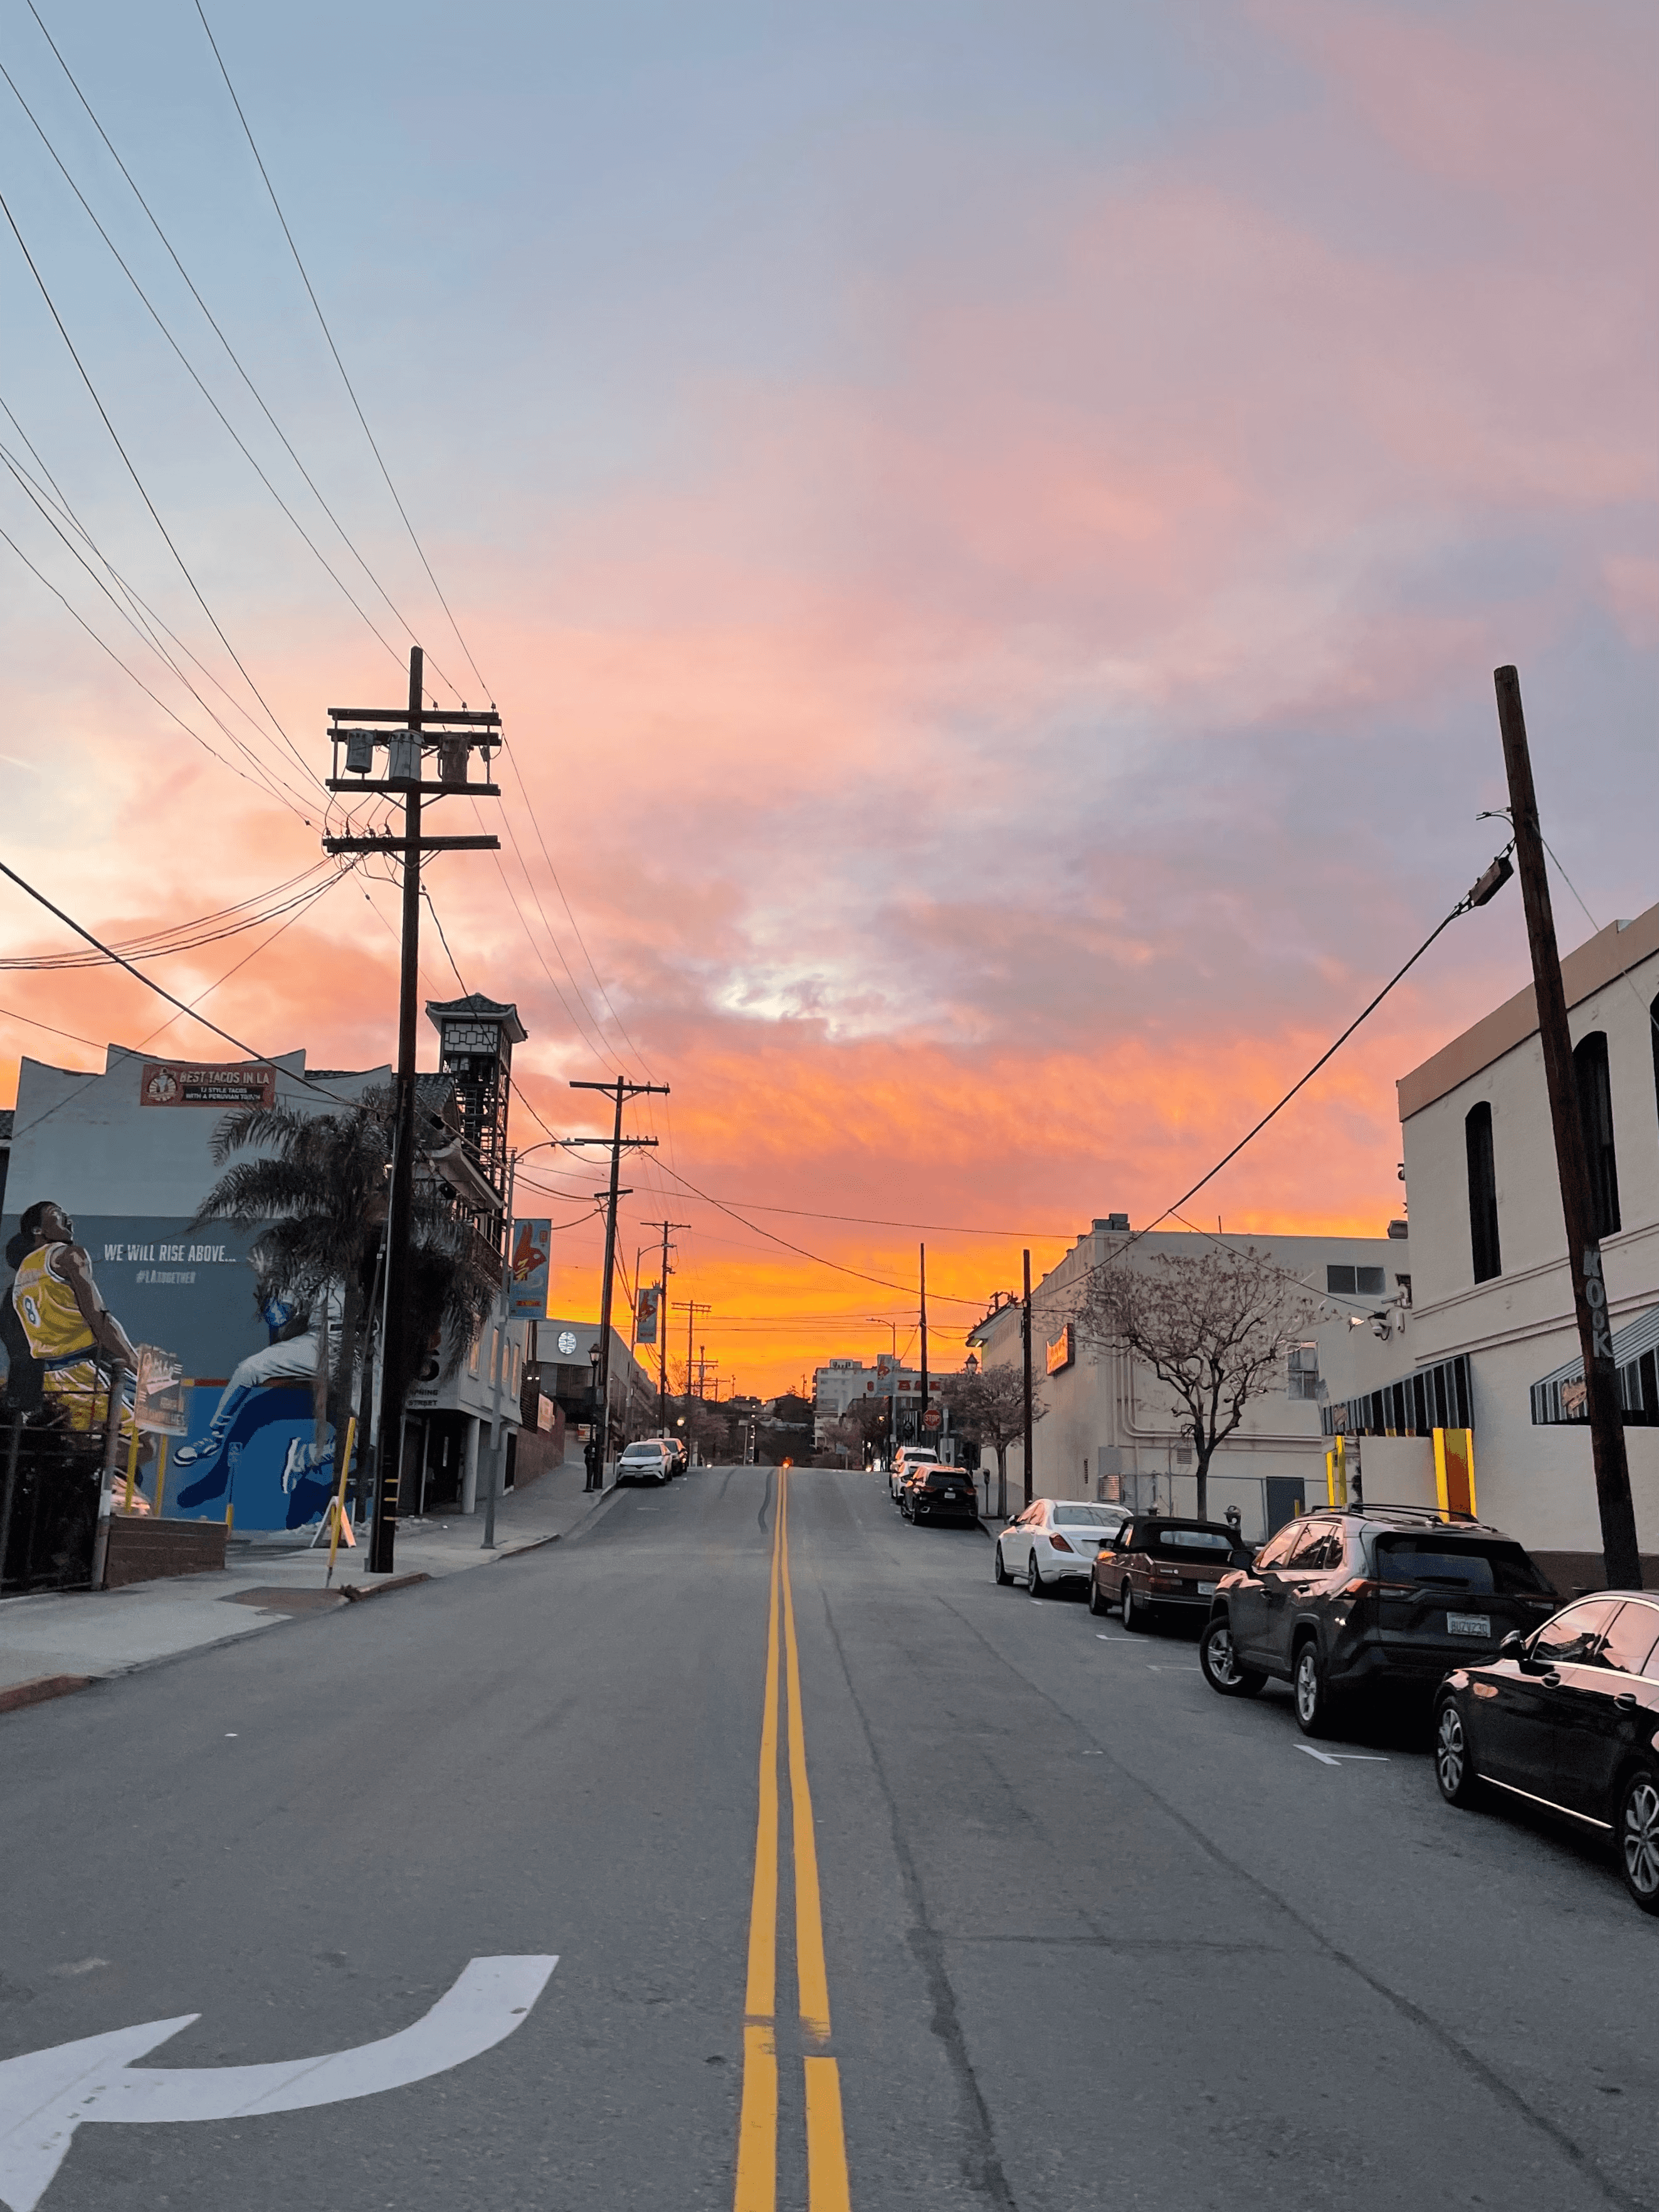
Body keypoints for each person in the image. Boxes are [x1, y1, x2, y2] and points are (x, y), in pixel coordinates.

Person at [8, 1200, 149, 1478]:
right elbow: (99, 1319)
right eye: (60, 1216)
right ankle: (86, 1466)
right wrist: (140, 1368)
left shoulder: (24, 1272)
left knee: (81, 1437)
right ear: (38, 1229)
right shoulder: (70, 1256)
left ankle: (78, 1466)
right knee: (146, 1447)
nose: (69, 1221)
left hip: (50, 1376)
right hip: (85, 1369)